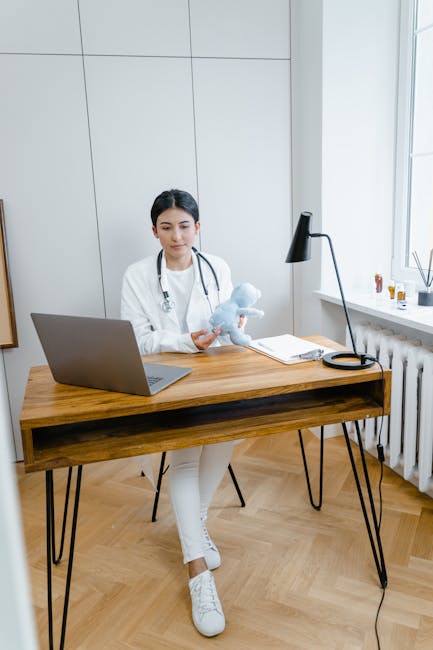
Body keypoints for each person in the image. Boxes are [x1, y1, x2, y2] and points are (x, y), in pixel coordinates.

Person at [121, 189, 242, 637]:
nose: (177, 235)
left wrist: (233, 326)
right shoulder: (137, 276)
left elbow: (228, 321)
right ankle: (198, 572)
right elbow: (137, 340)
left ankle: (196, 525)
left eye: (184, 225)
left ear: (197, 227)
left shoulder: (218, 268)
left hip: (216, 375)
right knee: (187, 456)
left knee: (230, 432)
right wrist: (185, 341)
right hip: (166, 379)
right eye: (166, 226)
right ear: (154, 230)